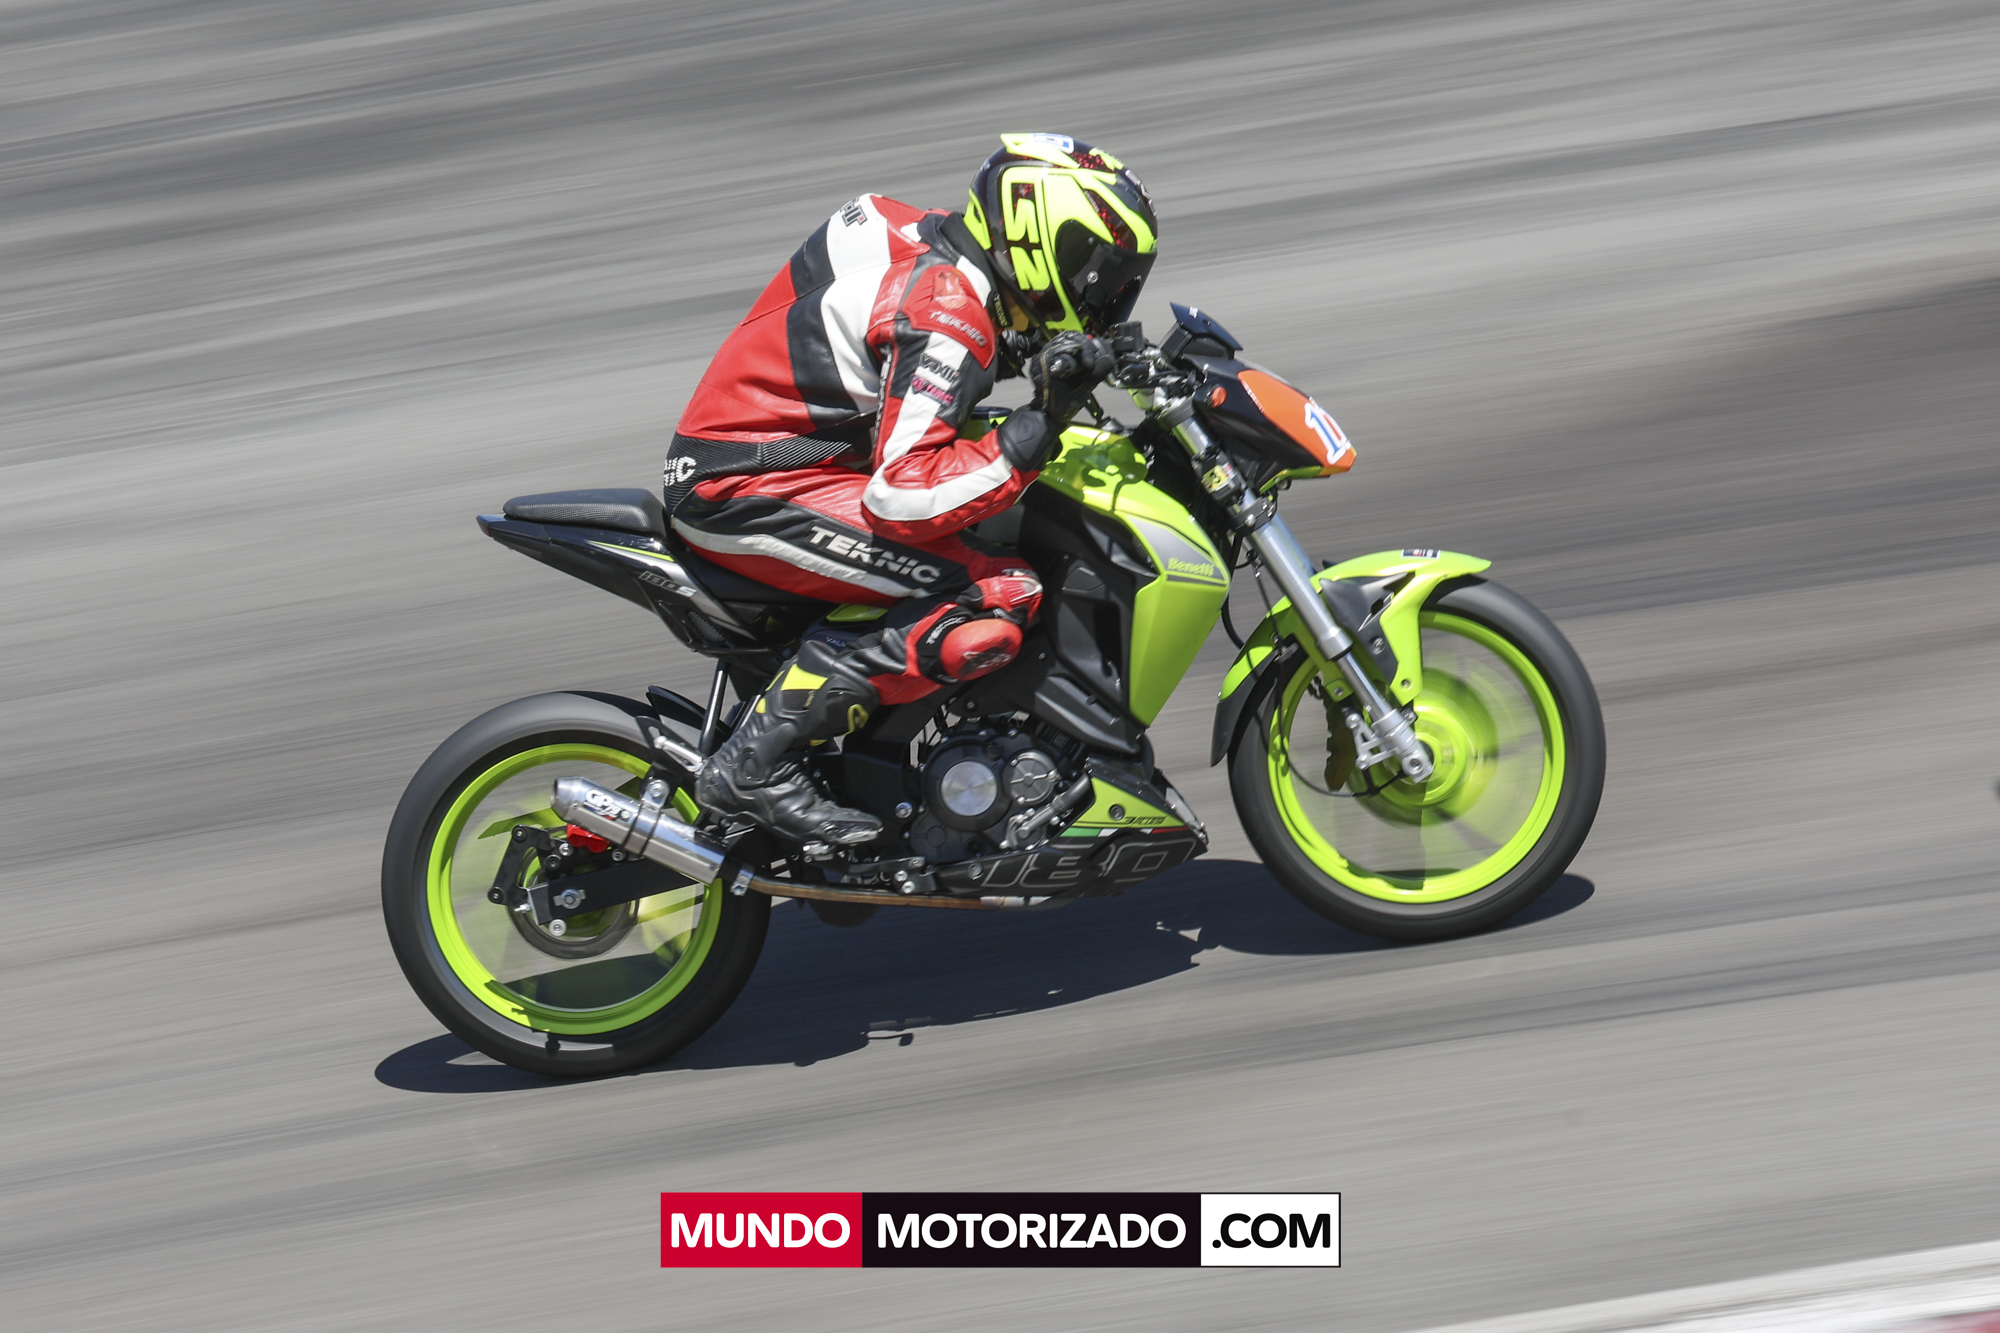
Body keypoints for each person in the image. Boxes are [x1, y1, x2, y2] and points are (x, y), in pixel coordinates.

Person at [665, 133, 1160, 847]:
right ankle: (755, 763)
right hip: (747, 486)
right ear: (1043, 242)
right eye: (1102, 274)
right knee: (1000, 590)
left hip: (775, 459)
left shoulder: (931, 247)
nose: (1106, 295)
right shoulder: (950, 313)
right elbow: (901, 496)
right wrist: (1040, 424)